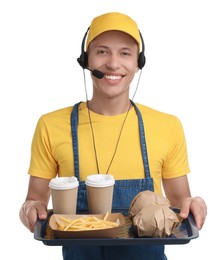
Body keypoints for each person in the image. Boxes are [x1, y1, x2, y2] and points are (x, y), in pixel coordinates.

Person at [19, 12, 207, 260]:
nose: (113, 63)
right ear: (86, 60)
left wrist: (193, 203)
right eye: (102, 51)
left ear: (139, 62)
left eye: (125, 53)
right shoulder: (51, 125)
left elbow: (180, 202)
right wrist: (30, 209)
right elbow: (33, 201)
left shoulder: (168, 126)